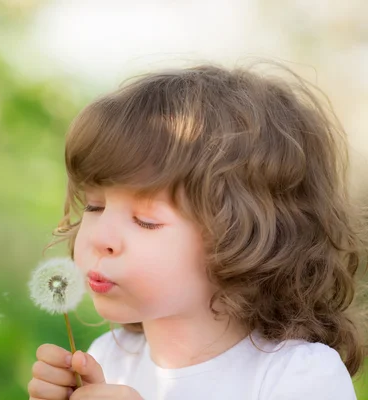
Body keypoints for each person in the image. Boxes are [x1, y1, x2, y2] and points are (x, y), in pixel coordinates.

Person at [27, 62, 368, 399]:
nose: (100, 238)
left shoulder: (298, 377)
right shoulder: (107, 358)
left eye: (146, 220)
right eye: (94, 207)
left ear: (244, 240)